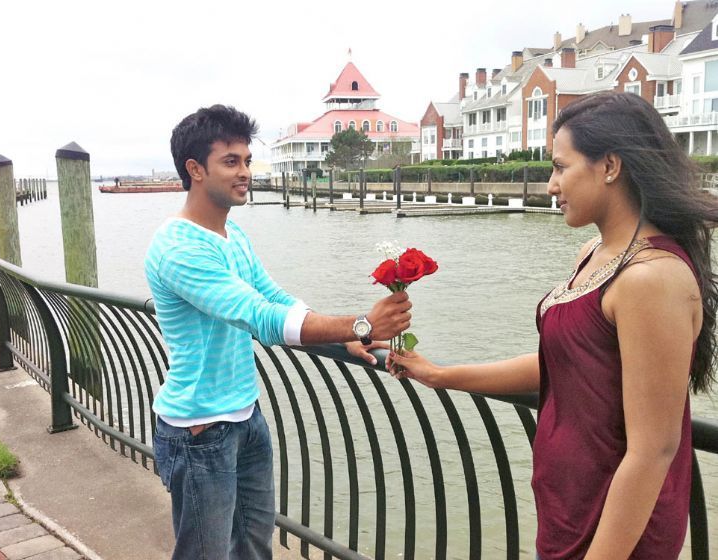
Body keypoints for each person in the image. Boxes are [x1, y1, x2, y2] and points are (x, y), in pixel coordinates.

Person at [388, 91, 718, 560]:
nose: (551, 185)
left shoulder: (652, 278)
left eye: (561, 167)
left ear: (610, 166)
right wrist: (441, 375)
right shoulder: (594, 254)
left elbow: (653, 451)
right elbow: (564, 364)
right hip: (569, 509)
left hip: (617, 533)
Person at [145, 104, 411, 560]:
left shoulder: (232, 236)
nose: (245, 172)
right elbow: (258, 316)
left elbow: (275, 298)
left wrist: (345, 336)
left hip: (245, 416)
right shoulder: (177, 248)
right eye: (231, 161)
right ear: (195, 170)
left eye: (247, 160)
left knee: (254, 546)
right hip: (199, 430)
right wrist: (362, 323)